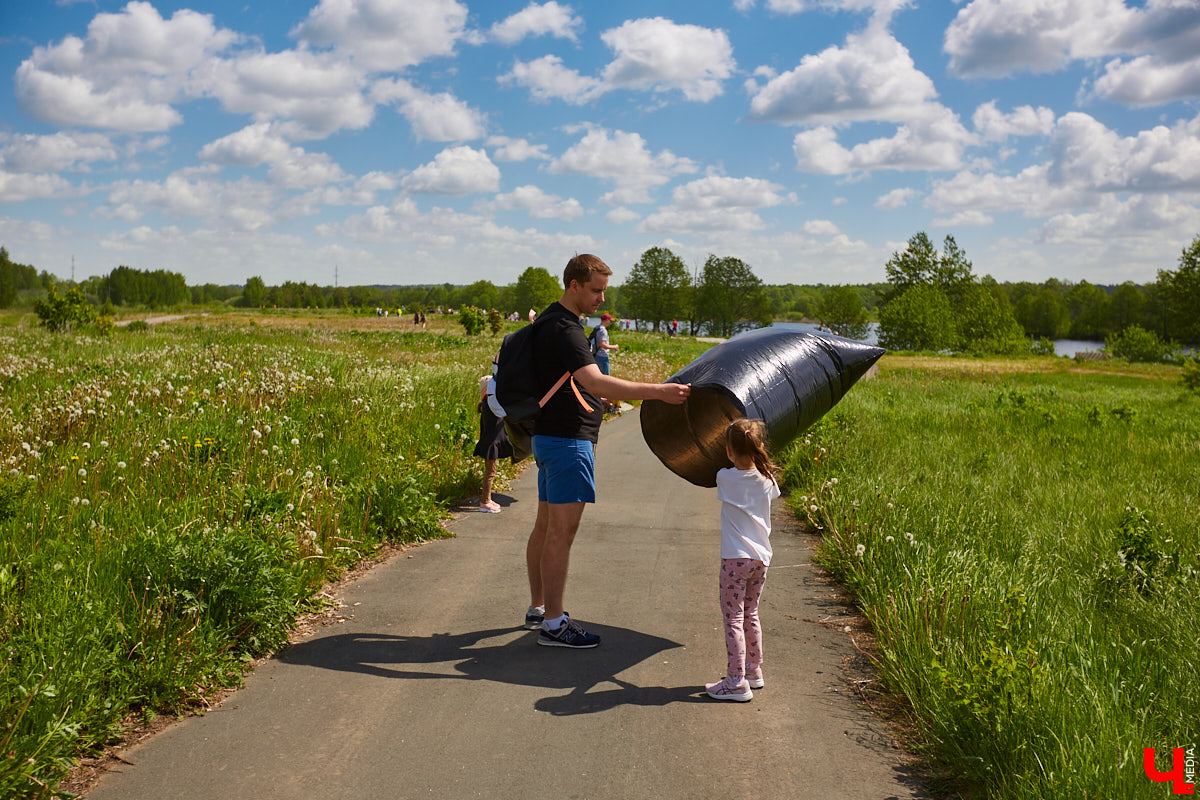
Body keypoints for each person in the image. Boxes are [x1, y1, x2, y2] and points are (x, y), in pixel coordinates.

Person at [524, 254, 691, 648]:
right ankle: (554, 623)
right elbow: (596, 384)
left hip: (548, 437)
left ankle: (538, 607)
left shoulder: (547, 319)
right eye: (596, 290)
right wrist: (659, 392)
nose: (602, 298)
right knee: (561, 532)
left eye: (604, 290)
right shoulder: (566, 329)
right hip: (568, 441)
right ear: (574, 286)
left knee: (546, 527)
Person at [705, 418, 780, 701]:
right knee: (751, 614)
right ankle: (753, 671)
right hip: (761, 560)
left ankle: (736, 682)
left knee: (733, 618)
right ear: (759, 446)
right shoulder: (768, 481)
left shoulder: (725, 478)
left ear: (728, 451)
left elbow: (715, 470)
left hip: (735, 560)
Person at [474, 359, 513, 513]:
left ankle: (488, 498)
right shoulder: (491, 406)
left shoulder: (486, 405)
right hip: (491, 444)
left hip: (490, 443)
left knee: (490, 473)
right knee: (490, 474)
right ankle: (484, 502)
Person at [590, 312, 620, 413]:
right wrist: (614, 347)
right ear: (606, 320)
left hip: (596, 356)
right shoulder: (603, 330)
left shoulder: (597, 327)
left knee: (599, 379)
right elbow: (603, 344)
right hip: (602, 357)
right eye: (609, 321)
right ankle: (608, 405)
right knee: (606, 380)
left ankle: (600, 403)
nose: (609, 323)